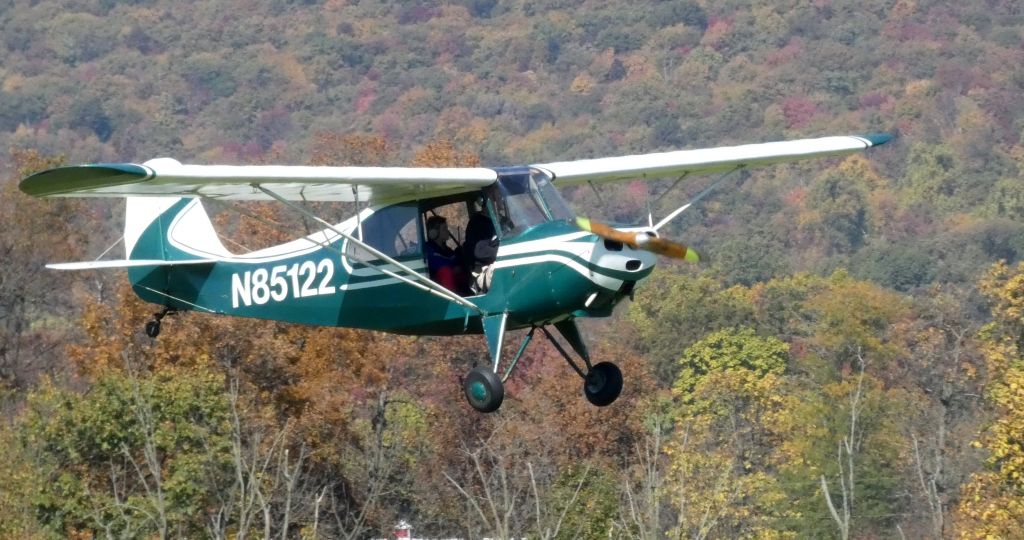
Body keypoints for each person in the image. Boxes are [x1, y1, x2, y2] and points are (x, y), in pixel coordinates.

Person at [424, 215, 467, 294]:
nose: (447, 231)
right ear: (434, 233)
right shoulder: (428, 249)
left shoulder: (447, 250)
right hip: (438, 287)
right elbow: (438, 264)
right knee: (446, 272)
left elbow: (456, 262)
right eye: (444, 229)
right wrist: (454, 268)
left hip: (455, 285)